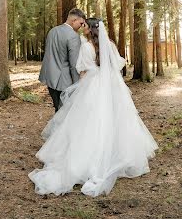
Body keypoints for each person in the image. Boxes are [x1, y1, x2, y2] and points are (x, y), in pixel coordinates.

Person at [29, 18, 158, 197]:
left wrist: (80, 90)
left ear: (90, 29)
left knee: (89, 121)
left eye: (85, 27)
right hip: (111, 86)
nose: (83, 29)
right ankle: (117, 154)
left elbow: (82, 70)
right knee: (114, 119)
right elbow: (118, 64)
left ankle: (87, 160)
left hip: (93, 86)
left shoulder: (87, 47)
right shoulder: (110, 45)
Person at [39, 8, 86, 113]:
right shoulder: (73, 36)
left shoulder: (52, 31)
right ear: (74, 20)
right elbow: (74, 64)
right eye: (81, 23)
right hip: (64, 81)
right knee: (65, 113)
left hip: (49, 78)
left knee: (58, 109)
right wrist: (77, 84)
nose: (81, 26)